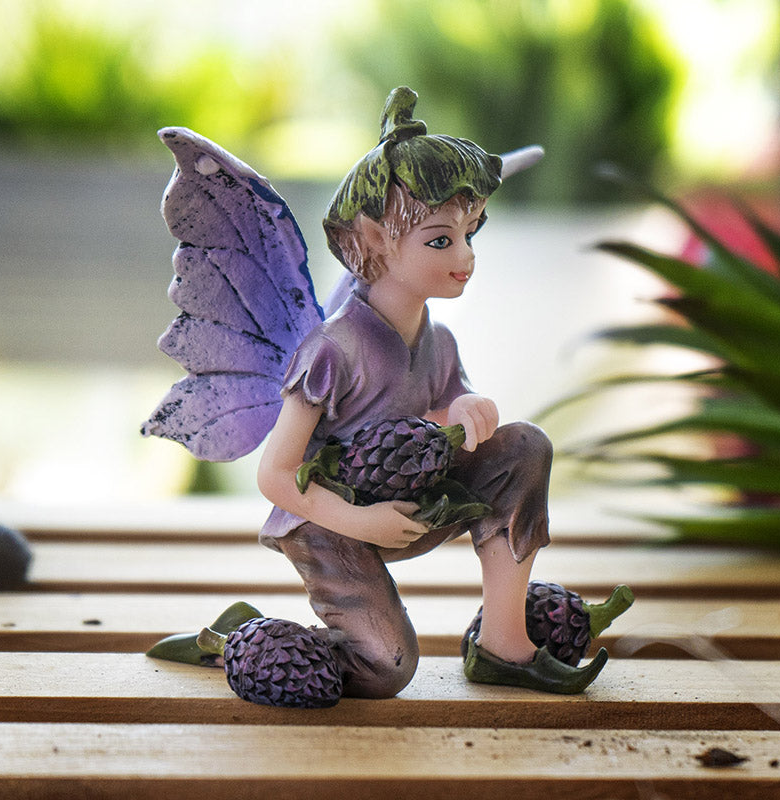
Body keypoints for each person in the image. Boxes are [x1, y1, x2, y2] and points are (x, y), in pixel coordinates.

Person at [256, 86, 607, 698]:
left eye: (472, 233)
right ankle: (250, 642)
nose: (467, 256)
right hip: (332, 524)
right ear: (374, 239)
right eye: (441, 240)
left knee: (524, 446)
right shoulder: (332, 350)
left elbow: (445, 404)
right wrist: (356, 519)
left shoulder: (437, 338)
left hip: (412, 499)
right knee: (385, 667)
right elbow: (275, 475)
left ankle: (504, 643)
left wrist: (466, 408)